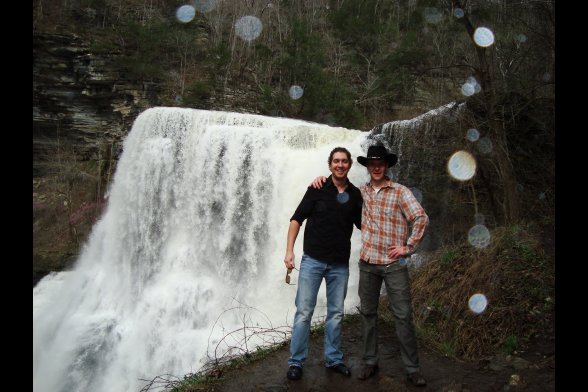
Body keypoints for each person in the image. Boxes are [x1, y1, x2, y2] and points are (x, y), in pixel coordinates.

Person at [311, 144, 428, 387]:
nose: (376, 167)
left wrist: (408, 247)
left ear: (386, 166)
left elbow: (420, 217)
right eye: (372, 163)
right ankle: (370, 362)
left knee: (403, 315)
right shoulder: (360, 192)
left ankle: (412, 368)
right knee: (368, 314)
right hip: (367, 264)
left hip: (394, 264)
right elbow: (338, 189)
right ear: (368, 167)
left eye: (380, 163)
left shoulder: (399, 191)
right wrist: (321, 180)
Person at [284, 147, 362, 381]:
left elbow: (364, 226)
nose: (340, 165)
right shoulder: (316, 188)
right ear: (330, 165)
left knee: (336, 313)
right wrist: (289, 251)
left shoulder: (355, 194)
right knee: (304, 313)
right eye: (336, 161)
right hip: (313, 261)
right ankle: (296, 361)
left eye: (344, 161)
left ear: (349, 165)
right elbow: (296, 219)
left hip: (339, 264)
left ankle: (334, 359)